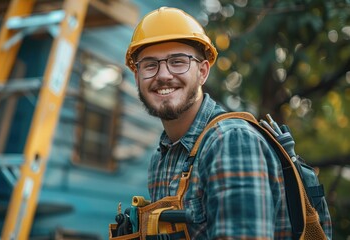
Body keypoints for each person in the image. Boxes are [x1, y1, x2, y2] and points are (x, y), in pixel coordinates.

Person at [124, 7, 332, 239]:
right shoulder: (161, 157)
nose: (163, 75)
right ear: (137, 76)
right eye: (150, 65)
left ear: (203, 72)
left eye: (178, 61)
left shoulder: (230, 141)